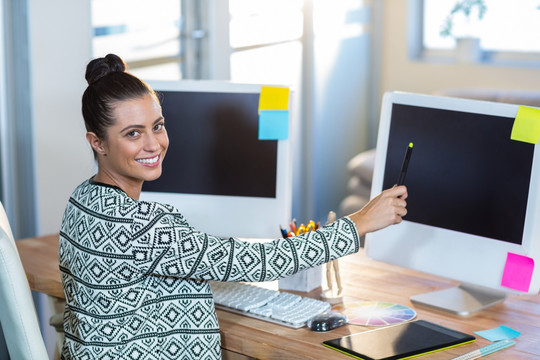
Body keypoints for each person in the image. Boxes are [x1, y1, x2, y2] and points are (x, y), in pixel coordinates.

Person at [59, 53, 408, 360]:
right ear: (97, 142)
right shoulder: (141, 224)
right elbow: (260, 262)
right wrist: (358, 222)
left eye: (158, 126)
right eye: (133, 133)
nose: (154, 144)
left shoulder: (82, 200)